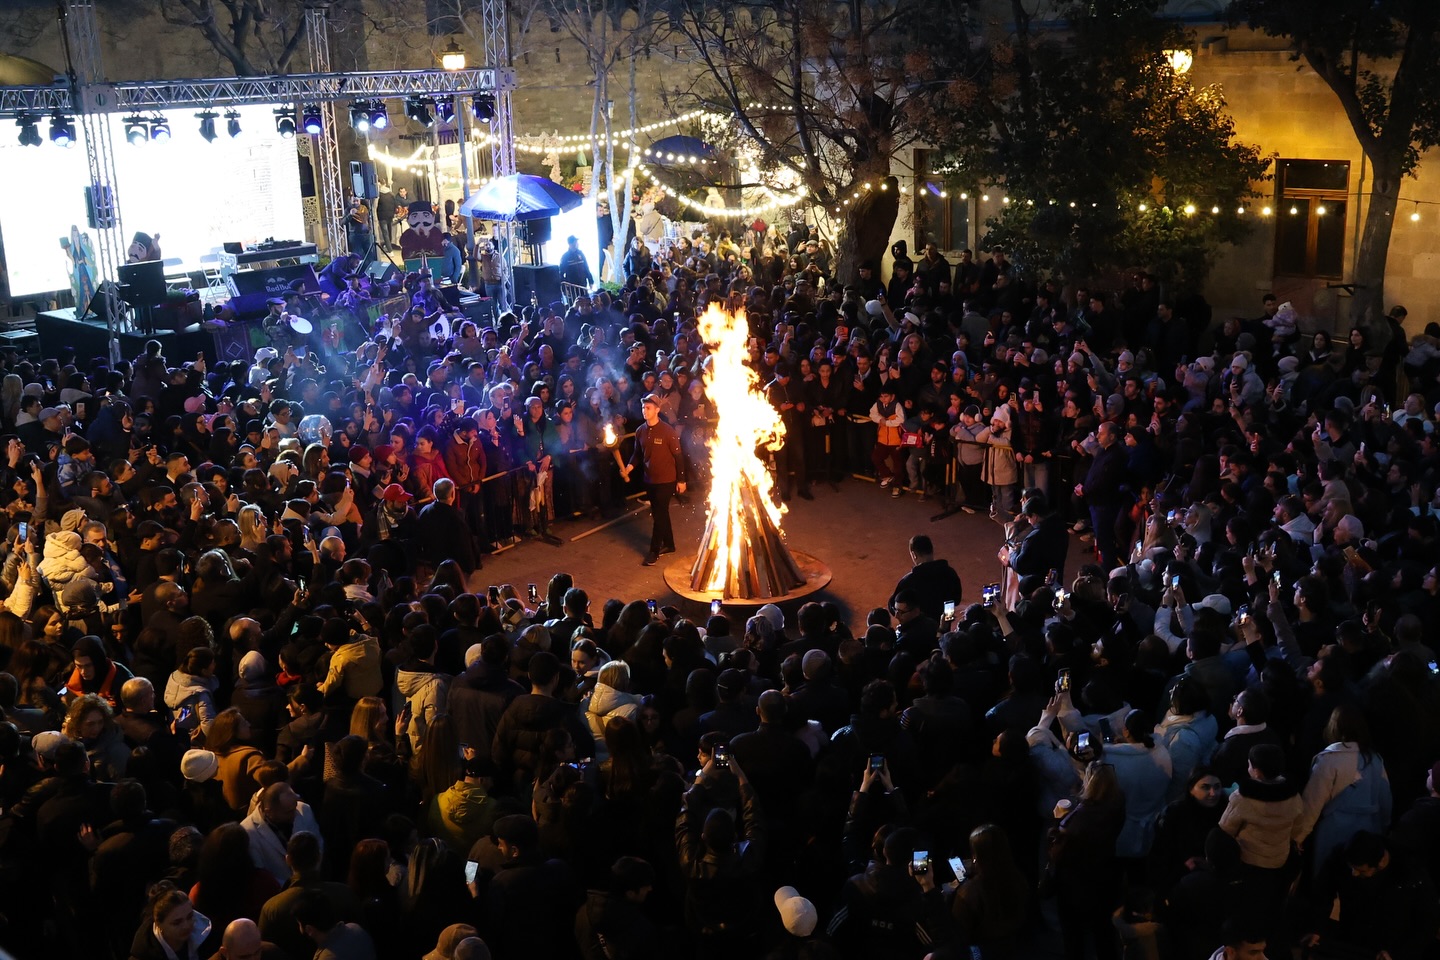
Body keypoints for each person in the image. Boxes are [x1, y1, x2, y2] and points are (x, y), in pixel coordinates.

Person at [621, 394, 686, 566]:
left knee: (659, 515)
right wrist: (629, 467)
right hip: (650, 480)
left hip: (666, 480)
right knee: (661, 513)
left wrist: (681, 480)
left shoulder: (667, 431)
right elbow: (637, 454)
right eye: (643, 407)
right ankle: (670, 545)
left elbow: (678, 457)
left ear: (657, 409)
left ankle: (654, 551)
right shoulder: (641, 431)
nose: (645, 410)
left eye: (648, 408)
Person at [888, 534, 963, 621]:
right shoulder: (950, 573)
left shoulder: (908, 582)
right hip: (945, 626)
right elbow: (956, 599)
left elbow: (893, 606)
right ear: (931, 550)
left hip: (919, 630)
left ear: (914, 555)